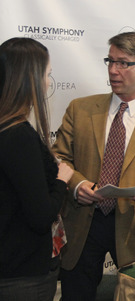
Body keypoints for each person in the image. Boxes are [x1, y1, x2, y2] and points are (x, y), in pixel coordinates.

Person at [52, 32, 135, 300]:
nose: (113, 70)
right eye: (110, 61)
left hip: (134, 228)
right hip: (82, 225)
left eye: (123, 63)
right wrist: (77, 185)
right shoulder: (80, 109)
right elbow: (59, 158)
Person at [0, 37, 74, 300]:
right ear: (28, 78)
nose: (47, 82)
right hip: (23, 276)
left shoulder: (9, 130)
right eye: (46, 74)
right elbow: (41, 216)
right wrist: (61, 180)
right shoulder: (18, 135)